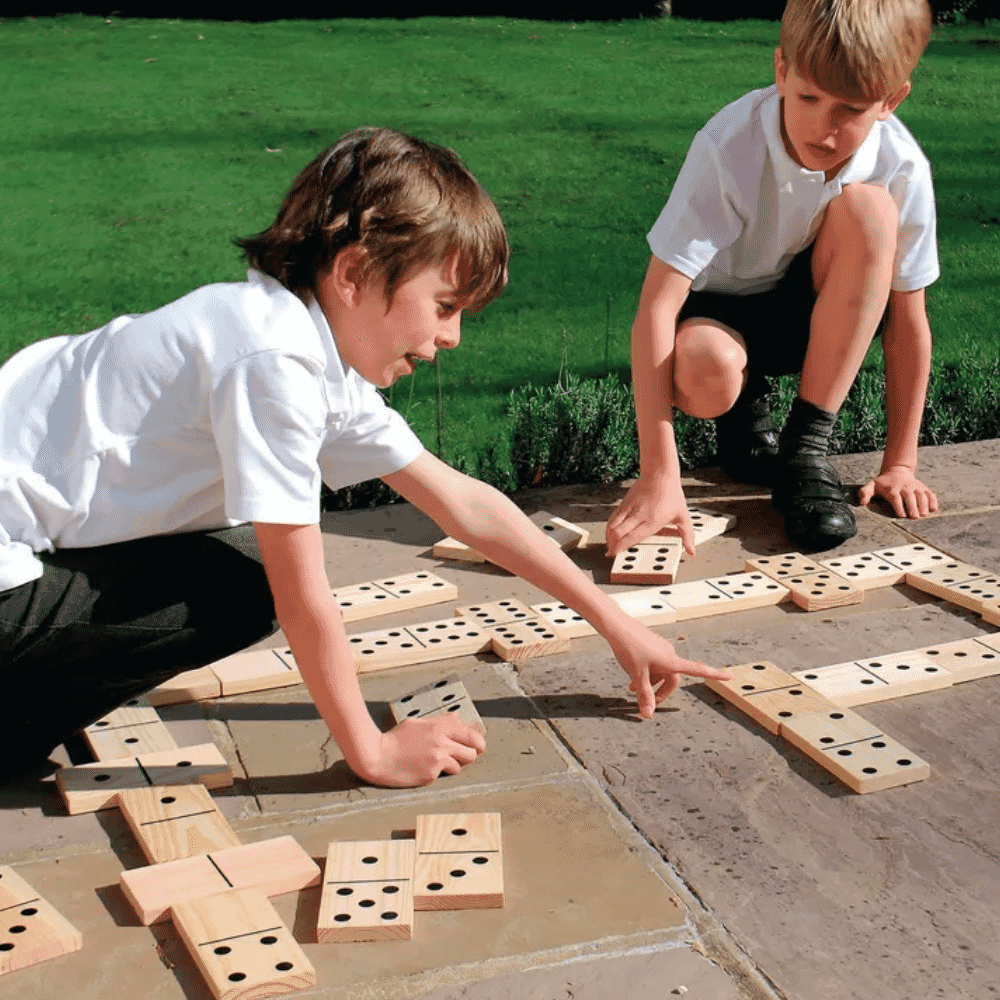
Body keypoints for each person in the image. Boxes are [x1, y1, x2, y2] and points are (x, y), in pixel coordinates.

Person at [0, 127, 729, 787]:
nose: (454, 339)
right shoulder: (270, 362)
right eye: (445, 307)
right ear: (352, 274)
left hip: (26, 551)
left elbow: (467, 506)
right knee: (251, 580)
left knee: (236, 572)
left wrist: (617, 625)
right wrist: (372, 752)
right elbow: (302, 590)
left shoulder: (305, 350)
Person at [606, 0, 940, 560]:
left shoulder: (902, 165)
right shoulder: (729, 146)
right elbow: (657, 310)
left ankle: (806, 452)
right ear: (781, 69)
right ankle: (741, 417)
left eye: (850, 108)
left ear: (890, 100)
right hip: (719, 310)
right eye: (808, 97)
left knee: (871, 213)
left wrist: (900, 464)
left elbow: (909, 320)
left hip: (811, 311)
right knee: (707, 369)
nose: (823, 128)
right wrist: (658, 475)